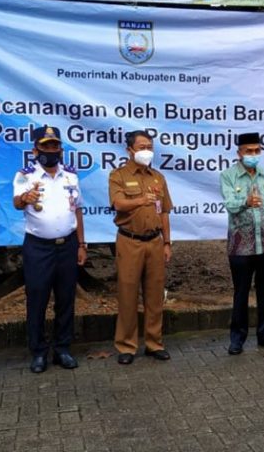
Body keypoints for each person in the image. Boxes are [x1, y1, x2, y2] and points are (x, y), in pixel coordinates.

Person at [13, 125, 87, 373]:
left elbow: (77, 209)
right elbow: (16, 202)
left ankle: (62, 349)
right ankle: (38, 352)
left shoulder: (71, 176)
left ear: (61, 149)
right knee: (37, 300)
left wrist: (82, 244)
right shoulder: (26, 176)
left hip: (68, 245)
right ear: (36, 150)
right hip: (38, 248)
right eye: (46, 146)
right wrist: (25, 198)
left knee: (66, 299)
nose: (51, 150)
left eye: (55, 146)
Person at [108, 130, 173, 365]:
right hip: (129, 241)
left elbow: (164, 211)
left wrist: (167, 242)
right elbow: (118, 203)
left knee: (155, 295)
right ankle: (126, 345)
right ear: (130, 150)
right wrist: (140, 200)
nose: (147, 151)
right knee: (127, 294)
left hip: (155, 242)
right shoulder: (119, 175)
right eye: (142, 147)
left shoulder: (157, 177)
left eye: (150, 147)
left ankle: (154, 343)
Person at [220, 132, 264, 355]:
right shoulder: (229, 176)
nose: (253, 155)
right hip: (240, 245)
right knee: (241, 292)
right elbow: (229, 204)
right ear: (239, 153)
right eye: (249, 151)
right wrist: (245, 201)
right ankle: (237, 338)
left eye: (257, 151)